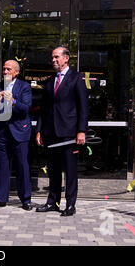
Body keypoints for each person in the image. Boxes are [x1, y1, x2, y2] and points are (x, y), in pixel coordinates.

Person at [35, 46, 88, 216]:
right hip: (51, 133)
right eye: (52, 57)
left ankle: (70, 204)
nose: (53, 60)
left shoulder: (76, 78)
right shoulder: (50, 81)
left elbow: (83, 107)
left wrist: (81, 130)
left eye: (57, 57)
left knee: (70, 171)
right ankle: (53, 202)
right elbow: (44, 109)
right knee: (53, 170)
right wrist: (39, 130)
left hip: (69, 133)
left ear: (66, 58)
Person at [0, 60, 33, 211]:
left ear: (16, 72)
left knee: (22, 166)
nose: (5, 72)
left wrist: (12, 100)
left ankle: (25, 200)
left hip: (19, 131)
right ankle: (0, 198)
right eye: (4, 69)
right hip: (2, 132)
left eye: (8, 69)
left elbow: (26, 108)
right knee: (1, 166)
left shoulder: (24, 86)